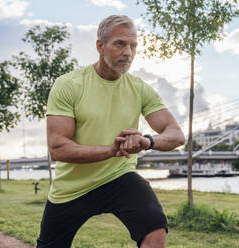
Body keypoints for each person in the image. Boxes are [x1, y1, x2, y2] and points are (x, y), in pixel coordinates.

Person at [36, 15, 185, 248]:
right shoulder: (69, 85)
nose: (128, 52)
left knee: (155, 231)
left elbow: (176, 134)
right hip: (72, 188)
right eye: (120, 44)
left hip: (118, 177)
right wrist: (110, 150)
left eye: (133, 45)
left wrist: (147, 141)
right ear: (100, 46)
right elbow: (57, 147)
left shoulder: (139, 89)